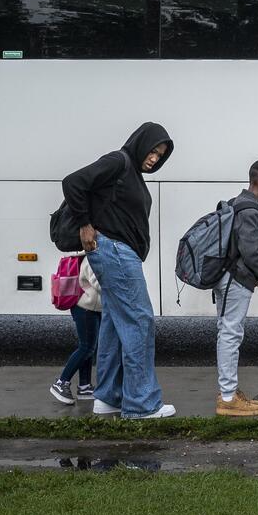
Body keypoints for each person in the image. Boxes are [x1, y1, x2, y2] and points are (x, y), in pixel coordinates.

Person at [63, 121, 176, 420]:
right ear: (140, 143)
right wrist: (85, 224)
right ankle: (141, 403)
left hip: (119, 253)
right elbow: (73, 182)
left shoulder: (132, 174)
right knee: (140, 322)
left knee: (114, 324)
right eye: (152, 151)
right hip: (114, 250)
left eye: (160, 155)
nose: (154, 159)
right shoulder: (119, 161)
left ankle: (109, 397)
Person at [215, 159, 258, 417]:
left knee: (226, 331)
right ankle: (228, 398)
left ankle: (228, 391)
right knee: (231, 334)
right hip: (237, 279)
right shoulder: (251, 210)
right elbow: (252, 251)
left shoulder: (235, 203)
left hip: (224, 277)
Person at [49, 254, 102, 405]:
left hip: (93, 308)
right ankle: (61, 382)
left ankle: (84, 386)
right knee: (86, 347)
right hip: (85, 308)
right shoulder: (91, 259)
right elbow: (99, 284)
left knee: (90, 347)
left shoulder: (94, 257)